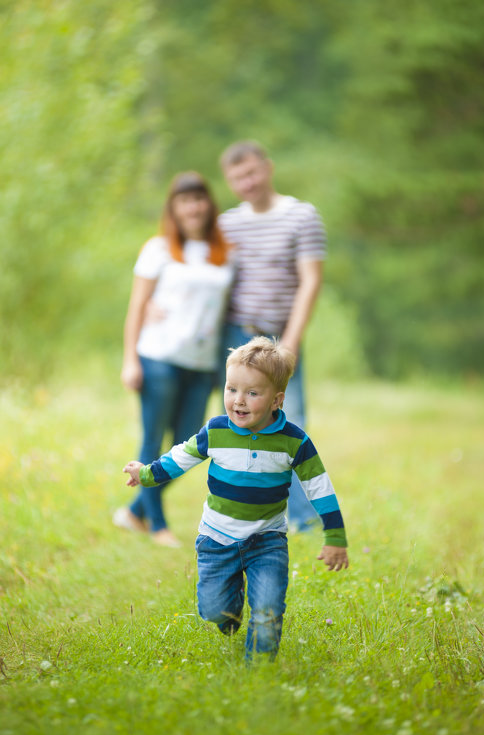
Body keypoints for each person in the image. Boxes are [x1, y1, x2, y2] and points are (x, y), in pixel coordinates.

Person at [122, 337, 348, 660]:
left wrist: (335, 536)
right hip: (217, 539)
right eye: (231, 390)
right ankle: (231, 607)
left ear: (276, 400)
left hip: (267, 541)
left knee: (268, 609)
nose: (238, 401)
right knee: (215, 610)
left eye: (252, 393)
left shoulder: (294, 442)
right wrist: (146, 474)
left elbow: (319, 487)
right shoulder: (216, 432)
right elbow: (180, 457)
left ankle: (258, 672)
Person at [113, 172, 234, 547]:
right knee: (153, 441)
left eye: (199, 198)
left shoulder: (225, 252)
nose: (193, 206)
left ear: (209, 204)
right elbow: (136, 307)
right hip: (159, 357)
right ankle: (158, 526)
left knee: (189, 446)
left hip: (201, 364)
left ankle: (134, 512)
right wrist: (130, 360)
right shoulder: (159, 248)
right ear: (174, 208)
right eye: (185, 200)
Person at [218, 140, 326, 532]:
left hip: (280, 334)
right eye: (236, 178)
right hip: (234, 336)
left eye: (251, 173)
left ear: (268, 168)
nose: (246, 183)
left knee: (290, 420)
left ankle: (302, 518)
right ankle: (247, 511)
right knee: (240, 421)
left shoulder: (301, 216)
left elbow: (311, 280)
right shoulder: (228, 223)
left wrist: (291, 342)